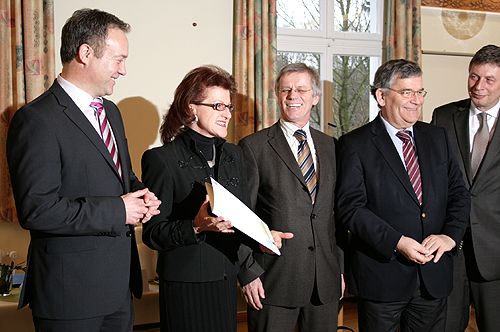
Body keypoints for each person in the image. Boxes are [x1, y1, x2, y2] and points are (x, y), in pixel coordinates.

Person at [6, 8, 161, 332]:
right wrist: (119, 209)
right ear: (86, 53)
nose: (123, 70)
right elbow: (37, 210)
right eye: (118, 59)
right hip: (69, 294)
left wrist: (141, 194)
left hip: (119, 289)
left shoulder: (111, 112)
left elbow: (121, 176)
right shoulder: (37, 120)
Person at [141, 65, 289, 332]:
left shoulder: (233, 155)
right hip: (184, 285)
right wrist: (196, 226)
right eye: (219, 106)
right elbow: (152, 234)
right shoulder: (161, 160)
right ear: (190, 107)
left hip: (225, 280)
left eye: (229, 107)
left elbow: (242, 219)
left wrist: (264, 238)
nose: (227, 114)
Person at [335, 59, 470, 332]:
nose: (416, 101)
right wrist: (397, 242)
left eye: (420, 92)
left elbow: (459, 194)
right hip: (382, 276)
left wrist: (449, 236)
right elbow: (350, 208)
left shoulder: (438, 137)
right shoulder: (355, 144)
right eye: (407, 92)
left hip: (433, 275)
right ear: (381, 96)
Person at [238, 63, 345, 332]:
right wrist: (248, 273)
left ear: (315, 98)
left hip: (325, 281)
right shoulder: (254, 147)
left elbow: (335, 216)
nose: (292, 96)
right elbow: (240, 215)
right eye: (286, 90)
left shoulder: (331, 146)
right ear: (277, 95)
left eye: (300, 89)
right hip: (273, 281)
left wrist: (339, 268)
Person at [431, 44, 500, 332]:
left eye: (489, 80)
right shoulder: (443, 117)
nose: (479, 86)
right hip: (451, 248)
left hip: (496, 251)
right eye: (474, 77)